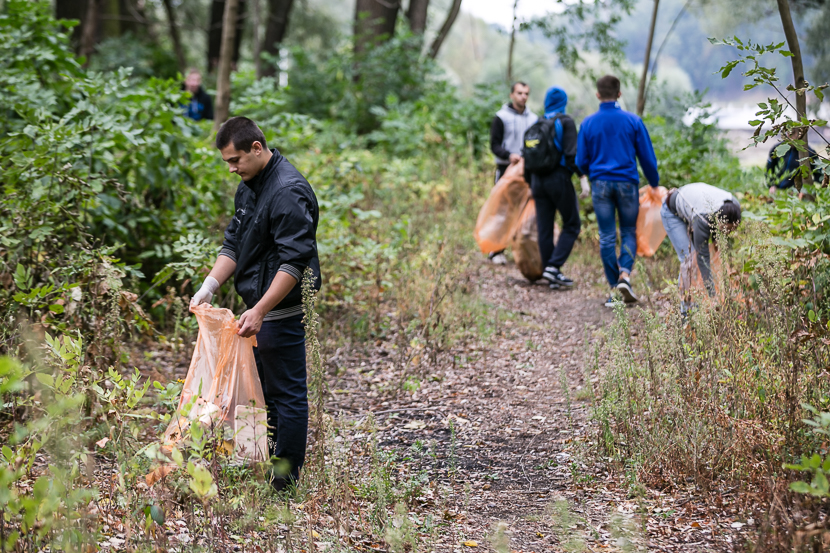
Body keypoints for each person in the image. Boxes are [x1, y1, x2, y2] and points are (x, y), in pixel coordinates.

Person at [189, 117, 321, 492]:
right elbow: (234, 243)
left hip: (282, 309)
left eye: (235, 160)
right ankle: (265, 467)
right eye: (227, 162)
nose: (231, 169)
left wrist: (262, 310)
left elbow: (294, 262)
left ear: (257, 149)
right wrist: (209, 287)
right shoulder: (248, 186)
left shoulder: (288, 191)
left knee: (287, 394)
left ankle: (285, 485)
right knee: (262, 393)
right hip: (258, 308)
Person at [576, 74, 659, 307]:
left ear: (598, 94)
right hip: (627, 184)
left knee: (607, 236)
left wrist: (589, 171)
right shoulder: (633, 121)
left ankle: (615, 289)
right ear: (619, 94)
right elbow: (647, 159)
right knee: (629, 232)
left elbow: (581, 161)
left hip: (601, 185)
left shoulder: (588, 124)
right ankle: (625, 275)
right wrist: (654, 183)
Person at [527, 86, 582, 290]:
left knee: (545, 227)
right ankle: (554, 266)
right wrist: (581, 175)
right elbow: (570, 154)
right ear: (563, 103)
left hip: (537, 180)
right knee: (572, 224)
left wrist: (529, 183)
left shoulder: (538, 122)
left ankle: (551, 272)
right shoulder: (565, 121)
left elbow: (528, 157)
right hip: (558, 178)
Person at [660, 182, 741, 314]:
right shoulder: (703, 219)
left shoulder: (734, 207)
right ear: (717, 222)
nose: (728, 233)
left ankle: (699, 302)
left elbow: (720, 238)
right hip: (671, 211)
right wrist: (713, 296)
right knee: (689, 260)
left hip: (694, 204)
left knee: (716, 252)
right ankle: (686, 309)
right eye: (725, 229)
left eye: (732, 229)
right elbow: (702, 259)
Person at [488, 81, 538, 265]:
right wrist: (509, 155)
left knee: (524, 209)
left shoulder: (533, 119)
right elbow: (494, 144)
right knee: (502, 209)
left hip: (527, 170)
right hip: (506, 169)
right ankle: (496, 249)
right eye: (519, 93)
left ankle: (523, 252)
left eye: (526, 93)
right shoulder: (501, 117)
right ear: (512, 95)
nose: (523, 96)